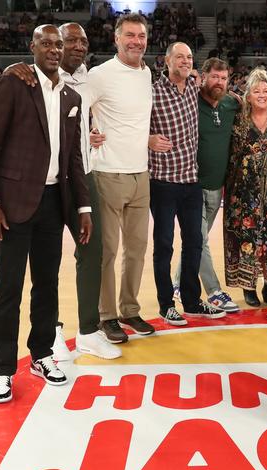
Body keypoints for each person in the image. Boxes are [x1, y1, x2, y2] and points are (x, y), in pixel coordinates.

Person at [3, 23, 123, 360]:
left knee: (86, 253)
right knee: (28, 274)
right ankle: (39, 340)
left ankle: (84, 332)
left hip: (77, 180)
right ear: (41, 46)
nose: (75, 47)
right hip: (32, 187)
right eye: (67, 41)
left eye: (81, 41)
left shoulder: (91, 80)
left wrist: (94, 131)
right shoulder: (25, 77)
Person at [0, 25, 91, 403]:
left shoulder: (71, 96)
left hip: (54, 203)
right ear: (32, 47)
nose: (54, 50)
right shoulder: (14, 84)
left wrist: (83, 206)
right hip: (15, 203)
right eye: (46, 44)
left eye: (59, 44)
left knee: (47, 285)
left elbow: (74, 157)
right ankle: (1, 367)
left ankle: (41, 354)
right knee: (7, 291)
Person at [88, 13, 155, 343]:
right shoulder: (100, 74)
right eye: (129, 35)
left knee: (137, 250)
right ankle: (107, 316)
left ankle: (129, 309)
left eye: (141, 35)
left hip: (140, 173)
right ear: (116, 38)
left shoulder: (147, 73)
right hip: (108, 173)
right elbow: (74, 108)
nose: (136, 41)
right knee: (109, 251)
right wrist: (88, 131)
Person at [149, 42, 226, 326]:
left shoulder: (195, 89)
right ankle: (166, 304)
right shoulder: (153, 91)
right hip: (163, 182)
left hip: (191, 181)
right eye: (179, 56)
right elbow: (132, 122)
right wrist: (147, 139)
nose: (185, 61)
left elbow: (224, 95)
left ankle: (192, 302)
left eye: (189, 57)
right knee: (164, 246)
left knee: (195, 242)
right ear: (166, 60)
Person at [172, 57, 241, 314]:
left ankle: (178, 282)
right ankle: (214, 291)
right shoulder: (190, 101)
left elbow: (258, 106)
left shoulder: (232, 104)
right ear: (203, 77)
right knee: (199, 240)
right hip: (191, 186)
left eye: (224, 78)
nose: (219, 82)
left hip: (217, 187)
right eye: (214, 77)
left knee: (195, 241)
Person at [224, 68, 267, 320]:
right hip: (243, 193)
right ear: (248, 96)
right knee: (248, 238)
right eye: (256, 91)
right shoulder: (238, 118)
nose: (262, 95)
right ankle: (248, 285)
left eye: (266, 91)